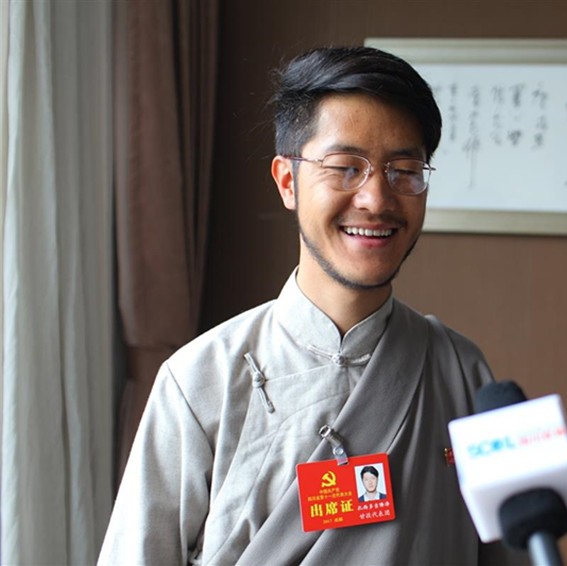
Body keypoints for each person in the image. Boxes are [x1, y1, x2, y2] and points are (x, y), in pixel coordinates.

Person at [98, 46, 513, 565]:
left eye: (404, 170)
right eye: (345, 167)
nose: (376, 199)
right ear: (288, 181)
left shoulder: (462, 371)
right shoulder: (201, 381)